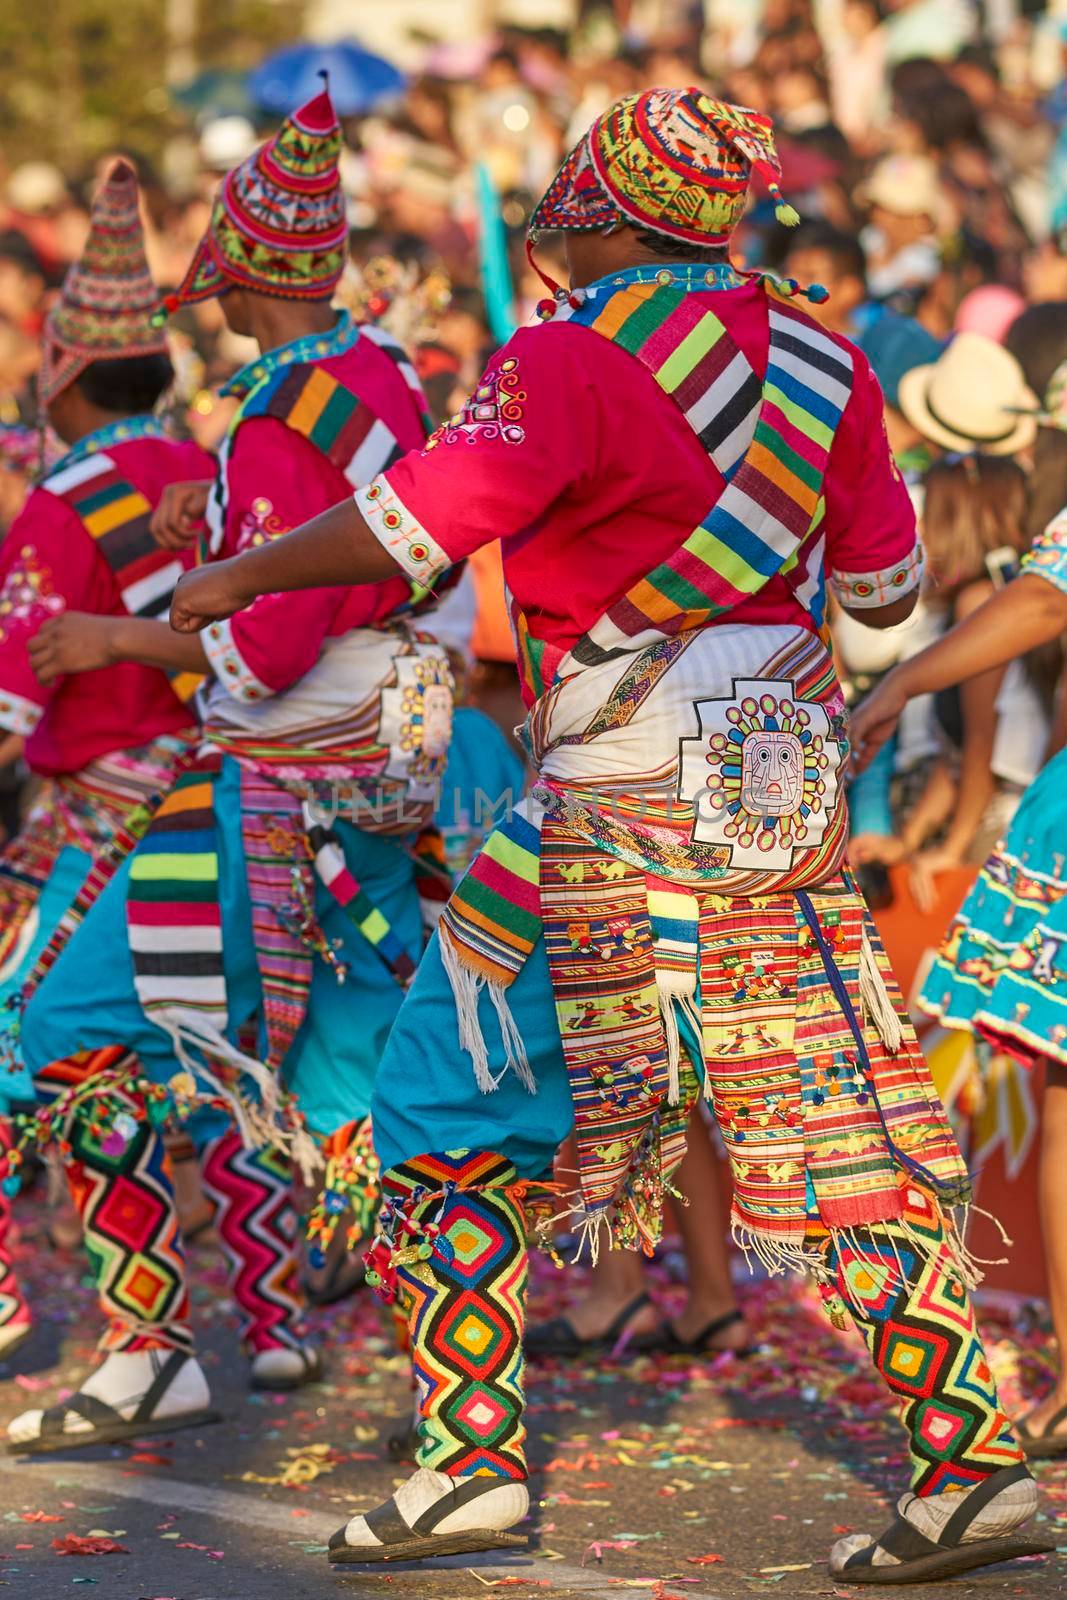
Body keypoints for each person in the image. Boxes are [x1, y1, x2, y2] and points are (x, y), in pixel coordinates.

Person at [169, 87, 1047, 1582]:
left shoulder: (566, 354)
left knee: (447, 1089)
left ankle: (471, 1466)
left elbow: (405, 532)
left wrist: (227, 579)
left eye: (562, 207)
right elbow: (886, 597)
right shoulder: (828, 356)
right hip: (772, 765)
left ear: (609, 212)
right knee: (824, 1100)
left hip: (616, 772)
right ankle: (966, 1460)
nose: (545, 231)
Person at [4, 85, 450, 1453]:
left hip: (265, 794)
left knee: (67, 1035)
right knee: (364, 1094)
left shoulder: (280, 417)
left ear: (244, 274)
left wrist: (124, 627)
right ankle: (457, 1417)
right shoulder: (375, 381)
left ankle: (148, 1342)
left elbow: (258, 655)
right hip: (378, 790)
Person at [0, 159, 212, 1360]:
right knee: (228, 1074)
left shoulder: (61, 501)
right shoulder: (200, 476)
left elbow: (10, 701)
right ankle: (273, 1324)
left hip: (97, 815)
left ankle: (138, 1337)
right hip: (213, 805)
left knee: (46, 1048)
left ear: (65, 377)